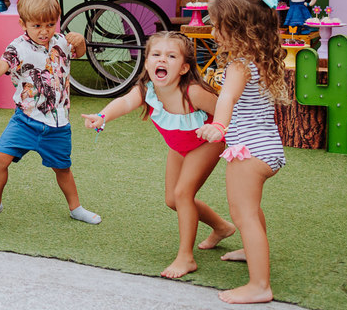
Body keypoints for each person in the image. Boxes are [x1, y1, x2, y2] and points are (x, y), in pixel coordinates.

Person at [82, 32, 235, 278]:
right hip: (179, 146)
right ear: (146, 62)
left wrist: (220, 131)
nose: (161, 60)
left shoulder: (193, 92)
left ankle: (186, 257)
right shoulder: (146, 89)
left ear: (184, 68)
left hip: (206, 143)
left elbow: (224, 113)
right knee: (173, 200)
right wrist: (102, 116)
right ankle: (221, 226)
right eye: (156, 54)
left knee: (183, 193)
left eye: (171, 56)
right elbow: (124, 103)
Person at [0, 0, 101, 229]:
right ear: (23, 24)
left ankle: (76, 208)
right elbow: (1, 64)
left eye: (50, 24)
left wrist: (80, 41)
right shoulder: (18, 47)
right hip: (25, 121)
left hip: (58, 124)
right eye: (37, 25)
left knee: (63, 169)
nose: (44, 31)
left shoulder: (61, 40)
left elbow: (78, 53)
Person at [195, 0, 288, 304]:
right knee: (250, 209)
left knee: (242, 213)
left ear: (237, 29)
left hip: (248, 151)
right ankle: (252, 251)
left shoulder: (238, 66)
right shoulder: (261, 59)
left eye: (217, 24)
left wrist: (218, 126)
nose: (212, 29)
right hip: (268, 149)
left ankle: (260, 285)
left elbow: (228, 99)